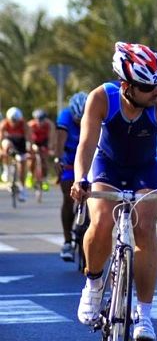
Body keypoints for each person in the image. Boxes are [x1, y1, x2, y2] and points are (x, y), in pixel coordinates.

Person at [71, 42, 157, 341]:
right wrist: (80, 178)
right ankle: (94, 286)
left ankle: (144, 314)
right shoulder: (101, 98)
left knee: (146, 228)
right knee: (101, 222)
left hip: (145, 169)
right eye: (148, 87)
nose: (156, 92)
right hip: (106, 167)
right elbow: (85, 144)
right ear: (126, 85)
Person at [53, 92, 88, 261]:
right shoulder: (65, 116)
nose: (80, 124)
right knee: (68, 198)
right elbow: (59, 142)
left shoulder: (96, 112)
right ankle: (67, 241)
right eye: (77, 121)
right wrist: (57, 159)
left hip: (89, 159)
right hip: (70, 159)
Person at [1, 107, 31, 201]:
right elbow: (1, 139)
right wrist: (2, 152)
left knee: (22, 166)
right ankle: (6, 169)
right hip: (9, 143)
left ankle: (22, 189)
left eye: (16, 121)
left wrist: (29, 149)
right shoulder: (4, 124)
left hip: (21, 145)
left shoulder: (24, 124)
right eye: (12, 121)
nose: (14, 123)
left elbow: (28, 139)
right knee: (6, 146)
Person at [27, 109, 55, 190]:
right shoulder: (31, 125)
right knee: (32, 159)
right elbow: (28, 137)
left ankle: (45, 180)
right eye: (38, 120)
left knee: (44, 160)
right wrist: (32, 146)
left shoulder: (49, 125)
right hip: (34, 141)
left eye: (42, 120)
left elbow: (52, 137)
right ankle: (30, 175)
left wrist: (49, 148)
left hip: (44, 142)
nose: (40, 122)